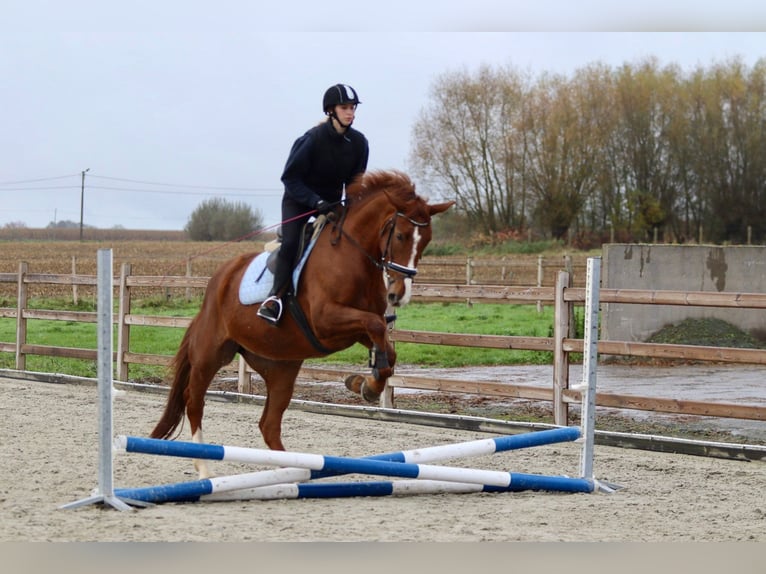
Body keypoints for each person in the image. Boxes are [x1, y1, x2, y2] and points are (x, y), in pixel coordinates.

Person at [257, 83, 369, 324]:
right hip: (298, 200)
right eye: (344, 107)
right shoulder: (311, 139)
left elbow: (354, 183)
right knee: (290, 244)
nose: (350, 112)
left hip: (331, 204)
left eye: (352, 108)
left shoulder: (360, 143)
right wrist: (315, 201)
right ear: (331, 110)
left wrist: (350, 206)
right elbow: (290, 178)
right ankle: (274, 298)